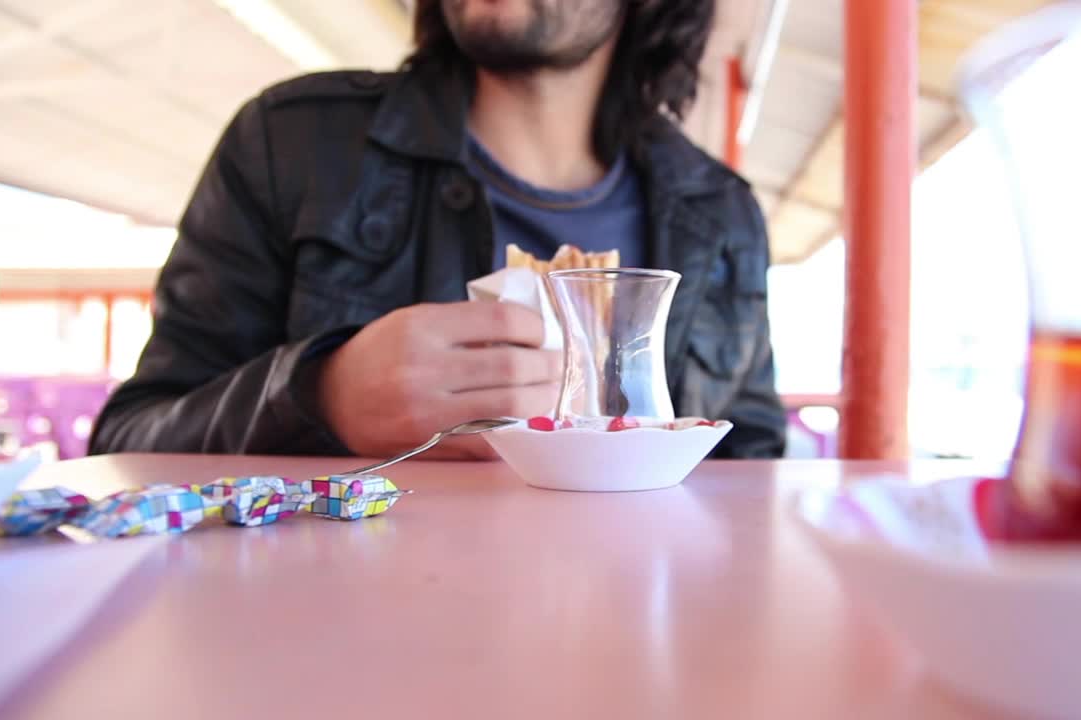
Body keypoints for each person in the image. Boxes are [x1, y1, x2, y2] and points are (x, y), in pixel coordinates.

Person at [88, 0, 786, 460]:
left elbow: (754, 467)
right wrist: (319, 396)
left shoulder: (721, 214)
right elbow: (126, 443)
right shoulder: (292, 146)